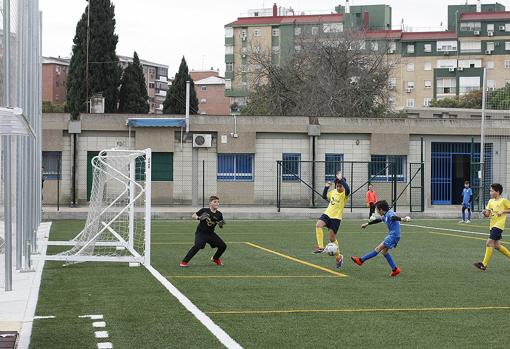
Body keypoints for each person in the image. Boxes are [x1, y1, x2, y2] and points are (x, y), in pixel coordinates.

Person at [351, 200, 410, 277]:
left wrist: (403, 219)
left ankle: (361, 260)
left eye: (377, 209)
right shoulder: (385, 214)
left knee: (377, 249)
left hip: (393, 236)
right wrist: (367, 223)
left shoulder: (389, 214)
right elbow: (378, 220)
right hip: (394, 235)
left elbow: (393, 218)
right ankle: (395, 270)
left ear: (381, 209)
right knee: (384, 252)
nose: (376, 211)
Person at [313, 171, 350, 268]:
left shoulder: (345, 194)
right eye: (337, 186)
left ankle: (338, 256)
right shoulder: (333, 192)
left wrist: (341, 179)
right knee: (318, 225)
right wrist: (326, 187)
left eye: (340, 186)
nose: (338, 188)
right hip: (327, 214)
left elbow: (348, 189)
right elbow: (324, 196)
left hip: (336, 218)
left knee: (332, 239)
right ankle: (321, 247)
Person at [180, 196, 227, 267]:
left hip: (210, 234)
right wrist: (199, 218)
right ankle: (184, 262)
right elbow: (193, 215)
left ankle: (215, 259)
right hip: (201, 233)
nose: (217, 203)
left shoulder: (219, 214)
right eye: (215, 202)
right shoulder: (204, 210)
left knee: (223, 246)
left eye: (218, 202)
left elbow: (221, 224)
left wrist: (221, 224)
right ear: (210, 203)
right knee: (198, 246)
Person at [473, 183, 510, 271]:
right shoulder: (490, 201)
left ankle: (484, 265)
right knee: (497, 245)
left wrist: (503, 211)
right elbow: (488, 215)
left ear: (497, 192)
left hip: (499, 225)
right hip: (492, 225)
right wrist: (484, 213)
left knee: (489, 242)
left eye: (492, 190)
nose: (490, 192)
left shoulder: (503, 201)